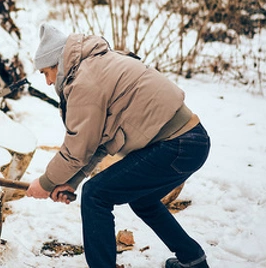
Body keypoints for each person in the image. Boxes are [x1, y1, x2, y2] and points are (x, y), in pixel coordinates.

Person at [25, 23, 212, 268]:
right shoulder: (97, 66)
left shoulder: (84, 81)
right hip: (191, 142)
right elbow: (98, 142)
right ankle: (192, 259)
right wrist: (71, 181)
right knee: (142, 200)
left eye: (46, 73)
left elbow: (76, 150)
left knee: (96, 195)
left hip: (175, 145)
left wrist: (46, 183)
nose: (48, 82)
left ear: (58, 64)